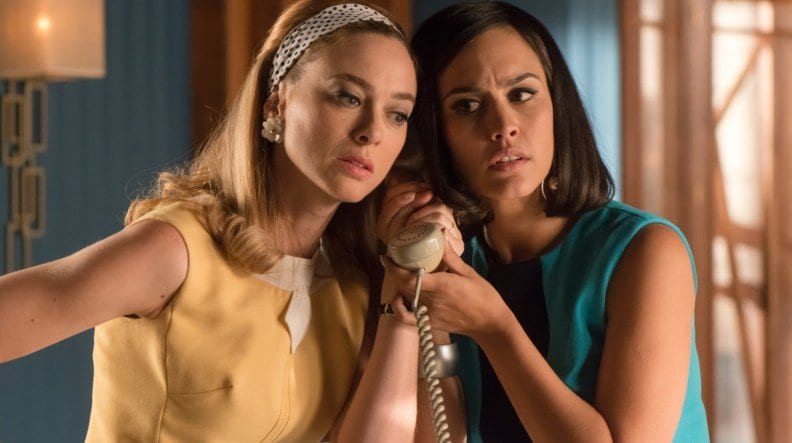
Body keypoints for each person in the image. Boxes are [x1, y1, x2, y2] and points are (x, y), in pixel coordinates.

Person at [0, 2, 462, 441]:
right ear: (276, 103)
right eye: (347, 96)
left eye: (397, 114)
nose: (372, 131)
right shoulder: (174, 250)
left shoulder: (353, 285)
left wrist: (408, 296)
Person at [378, 1, 710, 442]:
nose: (503, 126)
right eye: (467, 105)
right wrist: (422, 301)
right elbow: (442, 434)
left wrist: (496, 329)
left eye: (521, 94)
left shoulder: (646, 251)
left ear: (557, 105)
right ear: (432, 130)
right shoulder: (454, 256)